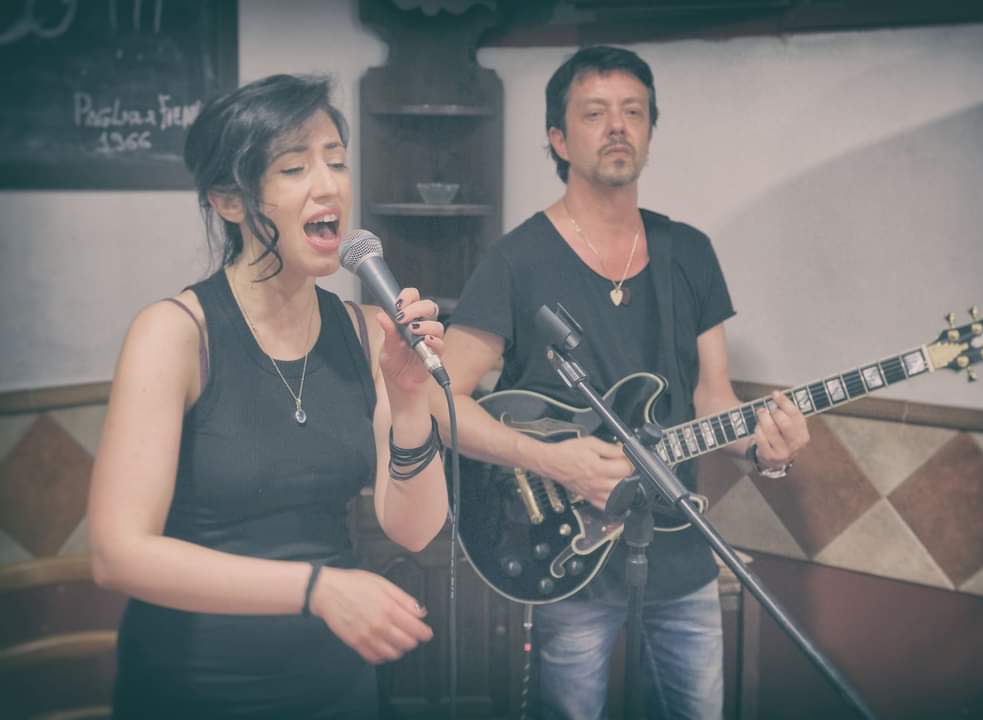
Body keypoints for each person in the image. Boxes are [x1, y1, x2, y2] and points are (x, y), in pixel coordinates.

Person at [433, 46, 810, 719]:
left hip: (682, 555)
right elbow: (442, 404)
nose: (617, 126)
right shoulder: (516, 260)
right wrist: (551, 461)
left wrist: (763, 451)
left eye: (633, 112)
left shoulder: (687, 252)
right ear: (558, 138)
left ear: (649, 132)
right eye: (595, 113)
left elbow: (712, 399)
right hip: (563, 557)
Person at [87, 74, 449, 718]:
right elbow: (117, 554)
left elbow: (414, 531)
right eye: (294, 167)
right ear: (230, 200)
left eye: (336, 161)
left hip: (335, 682)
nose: (328, 184)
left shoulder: (364, 331)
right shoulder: (175, 333)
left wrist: (410, 401)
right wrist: (316, 589)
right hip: (197, 686)